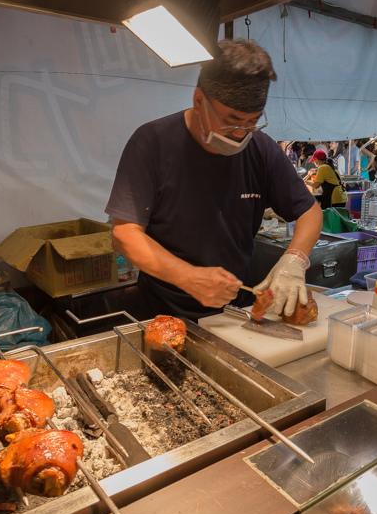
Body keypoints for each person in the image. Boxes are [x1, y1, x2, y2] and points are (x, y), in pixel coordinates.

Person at [106, 39, 323, 321]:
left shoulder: (262, 149)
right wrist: (187, 277)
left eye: (252, 122)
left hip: (236, 313)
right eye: (231, 122)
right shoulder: (152, 143)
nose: (240, 134)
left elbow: (309, 211)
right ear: (199, 101)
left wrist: (295, 259)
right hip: (163, 313)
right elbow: (124, 235)